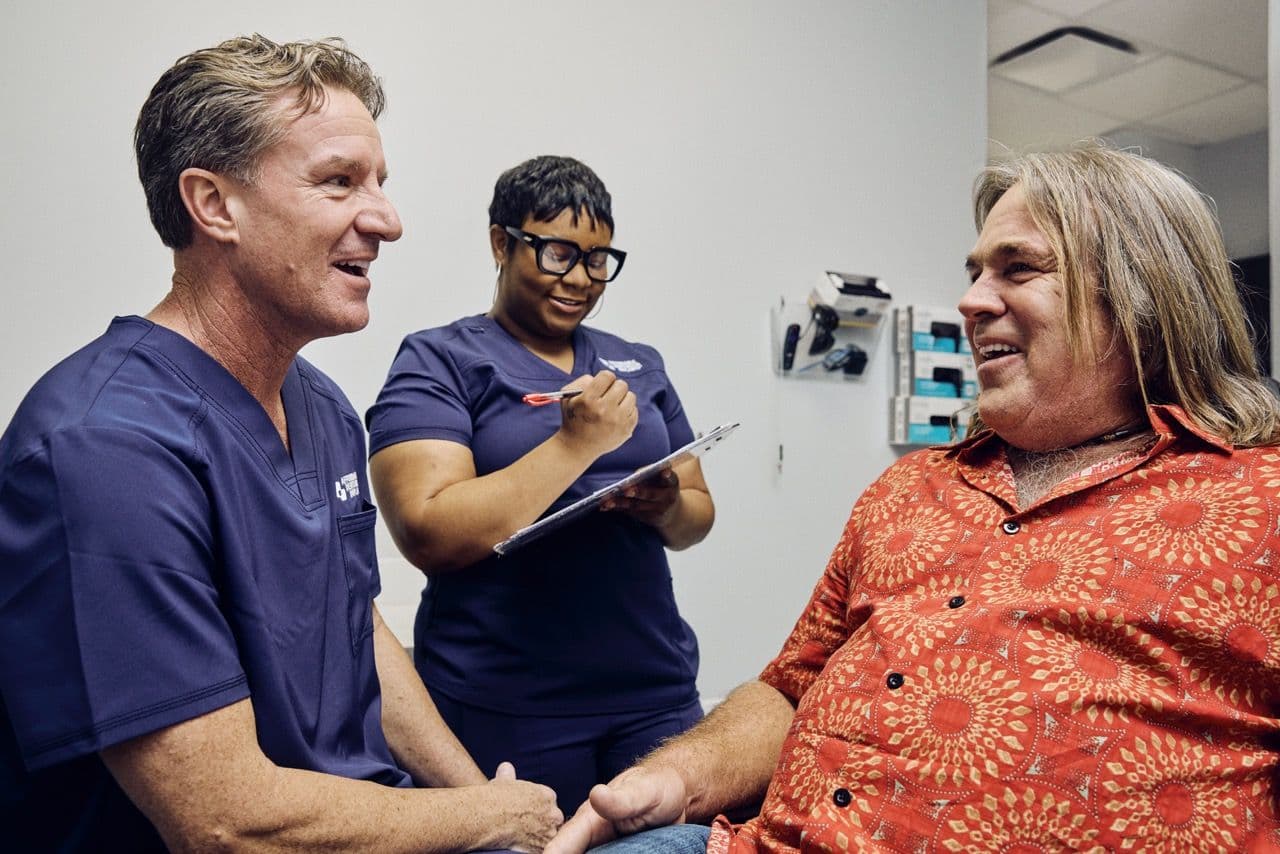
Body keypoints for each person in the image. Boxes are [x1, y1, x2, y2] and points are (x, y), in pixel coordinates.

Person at [546, 143, 1280, 854]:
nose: (970, 300)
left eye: (1018, 269)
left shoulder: (1258, 499)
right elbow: (789, 690)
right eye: (974, 272)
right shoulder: (909, 486)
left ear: (1142, 295)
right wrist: (677, 775)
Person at [0, 35, 561, 852]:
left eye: (379, 183)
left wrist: (485, 808)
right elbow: (226, 822)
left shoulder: (323, 408)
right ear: (213, 204)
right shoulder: (103, 447)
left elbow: (353, 621)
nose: (387, 220)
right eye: (339, 181)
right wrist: (491, 818)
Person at [366, 155, 716, 815]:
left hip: (653, 692)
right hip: (506, 703)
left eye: (597, 259)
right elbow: (428, 530)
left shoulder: (639, 363)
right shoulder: (440, 360)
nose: (580, 279)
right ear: (502, 242)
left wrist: (665, 506)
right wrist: (576, 445)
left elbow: (698, 514)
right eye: (558, 253)